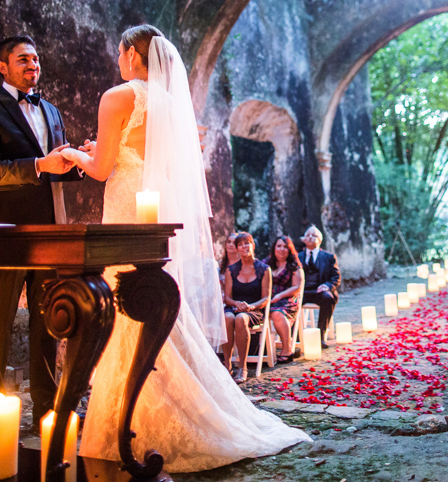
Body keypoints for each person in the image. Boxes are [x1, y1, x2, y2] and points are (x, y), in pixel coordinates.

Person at [60, 25, 308, 471]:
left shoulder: (117, 96)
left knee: (123, 302)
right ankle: (158, 403)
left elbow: (100, 170)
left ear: (133, 56)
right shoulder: (173, 104)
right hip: (154, 207)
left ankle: (130, 416)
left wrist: (76, 155)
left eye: (120, 52)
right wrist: (107, 153)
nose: (118, 60)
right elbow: (148, 156)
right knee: (153, 297)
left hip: (124, 203)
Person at [0, 34, 83, 434]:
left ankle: (47, 410)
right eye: (22, 60)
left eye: (35, 59)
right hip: (6, 233)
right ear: (3, 67)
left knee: (49, 322)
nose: (32, 65)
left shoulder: (51, 109)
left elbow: (57, 163)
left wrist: (78, 161)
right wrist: (38, 165)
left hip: (50, 231)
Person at [222, 232, 271, 382]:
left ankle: (242, 368)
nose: (244, 246)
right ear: (237, 248)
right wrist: (237, 304)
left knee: (241, 319)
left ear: (253, 245)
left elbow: (265, 298)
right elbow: (227, 298)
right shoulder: (231, 270)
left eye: (247, 243)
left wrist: (250, 307)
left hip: (254, 310)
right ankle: (227, 364)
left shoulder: (264, 269)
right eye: (241, 244)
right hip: (235, 307)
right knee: (227, 317)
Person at [266, 236, 305, 364]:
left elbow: (296, 287)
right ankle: (259, 350)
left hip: (287, 298)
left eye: (285, 246)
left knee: (278, 313)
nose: (282, 249)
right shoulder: (266, 263)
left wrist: (279, 296)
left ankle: (287, 349)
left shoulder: (294, 266)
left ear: (289, 250)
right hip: (268, 299)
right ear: (274, 248)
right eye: (279, 246)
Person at [299, 226, 341, 347]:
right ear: (304, 239)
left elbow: (336, 277)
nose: (310, 237)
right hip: (303, 292)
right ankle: (296, 338)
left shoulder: (329, 257)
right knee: (291, 301)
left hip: (319, 291)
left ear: (320, 240)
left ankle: (320, 336)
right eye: (308, 235)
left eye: (314, 235)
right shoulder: (298, 257)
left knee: (328, 298)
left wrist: (327, 286)